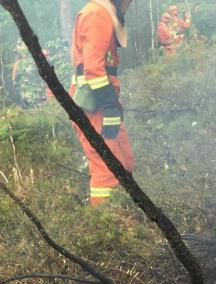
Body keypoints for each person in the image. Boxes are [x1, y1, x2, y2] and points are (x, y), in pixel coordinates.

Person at [71, 0, 136, 206]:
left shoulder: (105, 12)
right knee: (106, 169)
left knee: (124, 161)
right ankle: (105, 226)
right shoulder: (98, 14)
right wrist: (109, 106)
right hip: (94, 105)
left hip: (104, 102)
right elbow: (93, 69)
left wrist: (112, 105)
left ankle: (125, 215)